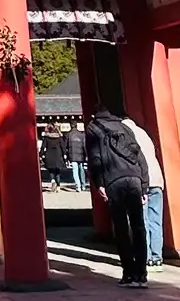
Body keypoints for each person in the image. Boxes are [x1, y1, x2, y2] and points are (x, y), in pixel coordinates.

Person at [85, 106, 149, 287]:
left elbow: (95, 157)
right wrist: (144, 186)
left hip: (114, 179)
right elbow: (140, 156)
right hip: (135, 177)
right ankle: (141, 274)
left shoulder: (93, 128)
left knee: (121, 228)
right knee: (138, 227)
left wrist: (100, 183)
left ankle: (128, 273)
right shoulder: (125, 127)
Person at [122, 114, 166, 267]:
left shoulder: (126, 136)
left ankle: (145, 256)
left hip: (141, 181)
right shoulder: (144, 133)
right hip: (157, 180)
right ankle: (157, 256)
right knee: (156, 220)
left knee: (141, 221)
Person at [66, 120, 88, 194]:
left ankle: (78, 186)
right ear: (76, 126)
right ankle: (83, 185)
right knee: (81, 170)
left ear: (70, 126)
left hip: (72, 155)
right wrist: (86, 155)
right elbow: (85, 146)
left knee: (75, 171)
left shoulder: (68, 135)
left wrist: (67, 156)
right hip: (81, 155)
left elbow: (66, 146)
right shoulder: (81, 135)